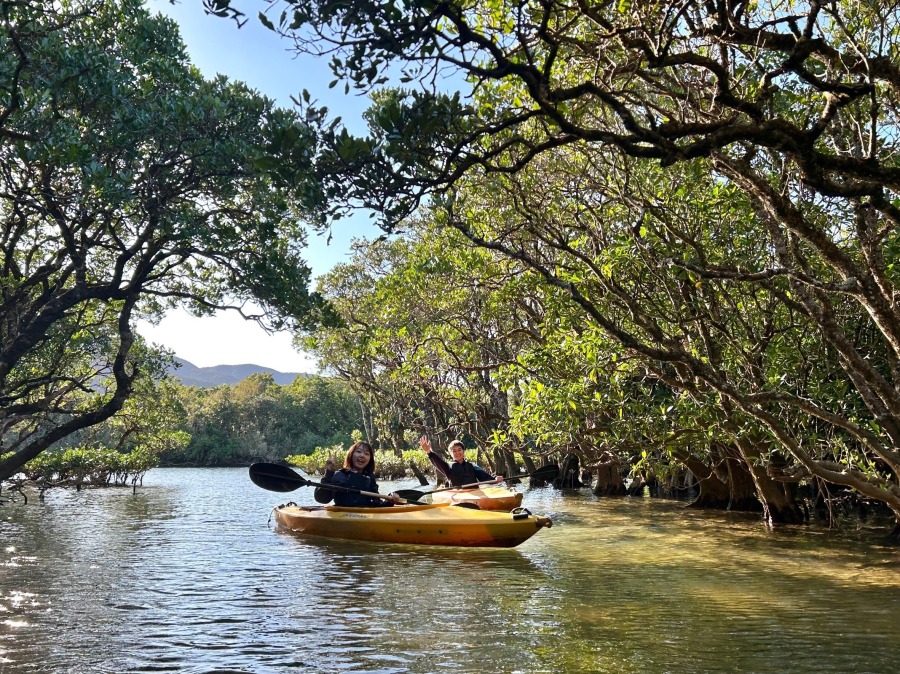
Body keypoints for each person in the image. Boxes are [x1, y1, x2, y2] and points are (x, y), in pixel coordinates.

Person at [314, 440, 401, 507]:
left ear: (369, 459)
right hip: (343, 519)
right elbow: (322, 498)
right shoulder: (340, 475)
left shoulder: (369, 478)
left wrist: (390, 501)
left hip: (364, 518)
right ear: (351, 455)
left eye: (366, 453)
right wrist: (329, 473)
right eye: (358, 452)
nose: (362, 455)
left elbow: (376, 505)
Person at [418, 436, 504, 488]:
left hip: (475, 492)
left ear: (463, 451)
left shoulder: (472, 466)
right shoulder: (448, 467)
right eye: (454, 451)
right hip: (459, 493)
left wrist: (495, 479)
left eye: (459, 450)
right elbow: (437, 462)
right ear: (451, 454)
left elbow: (485, 476)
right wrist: (429, 452)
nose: (457, 453)